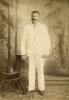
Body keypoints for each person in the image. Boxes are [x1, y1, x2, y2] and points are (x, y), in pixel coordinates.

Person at [21, 10, 50, 96]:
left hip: (40, 53)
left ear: (38, 17)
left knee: (40, 71)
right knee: (31, 71)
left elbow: (47, 40)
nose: (34, 17)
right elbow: (23, 41)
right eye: (33, 16)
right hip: (30, 53)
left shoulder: (43, 27)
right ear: (31, 17)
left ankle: (41, 89)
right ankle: (31, 88)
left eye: (36, 16)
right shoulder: (27, 27)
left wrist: (46, 52)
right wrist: (23, 53)